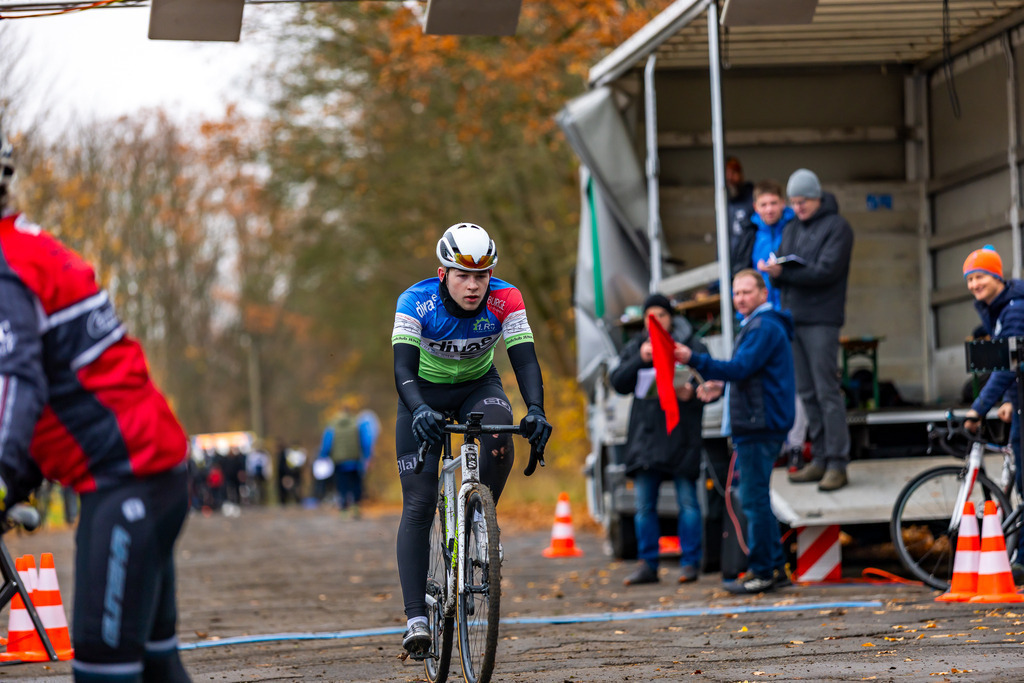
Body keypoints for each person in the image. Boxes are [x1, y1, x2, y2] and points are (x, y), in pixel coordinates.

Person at [0, 130, 192, 681]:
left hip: (126, 479)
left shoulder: (6, 266)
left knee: (103, 669)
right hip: (150, 471)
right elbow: (61, 384)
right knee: (157, 667)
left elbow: (17, 382)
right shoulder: (25, 247)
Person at [392, 222, 553, 657]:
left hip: (478, 387)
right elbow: (402, 369)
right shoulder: (414, 301)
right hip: (420, 394)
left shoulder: (508, 298)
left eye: (481, 275)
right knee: (420, 502)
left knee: (501, 434)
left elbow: (525, 361)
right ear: (443, 273)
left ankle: (480, 519)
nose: (473, 285)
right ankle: (416, 618)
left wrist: (536, 409)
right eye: (463, 275)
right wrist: (420, 409)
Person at [677, 269, 795, 594]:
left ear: (763, 294)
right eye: (736, 293)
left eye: (746, 292)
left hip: (759, 426)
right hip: (759, 423)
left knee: (754, 501)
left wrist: (694, 359)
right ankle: (776, 569)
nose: (740, 298)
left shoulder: (763, 327)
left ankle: (762, 572)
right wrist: (720, 385)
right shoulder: (758, 326)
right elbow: (750, 375)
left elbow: (741, 368)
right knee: (757, 499)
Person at [759, 168, 853, 492]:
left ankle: (838, 463)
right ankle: (821, 458)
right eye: (794, 202)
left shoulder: (838, 228)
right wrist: (773, 273)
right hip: (794, 317)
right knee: (807, 393)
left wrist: (783, 273)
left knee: (827, 391)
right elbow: (784, 270)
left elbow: (827, 271)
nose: (798, 208)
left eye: (803, 202)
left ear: (817, 197)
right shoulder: (792, 228)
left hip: (823, 320)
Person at [609, 293, 706, 586]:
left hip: (681, 436)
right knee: (644, 507)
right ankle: (647, 565)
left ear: (671, 317)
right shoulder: (636, 348)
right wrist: (639, 359)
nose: (656, 321)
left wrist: (691, 393)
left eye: (661, 315)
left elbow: (710, 380)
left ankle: (691, 564)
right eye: (650, 316)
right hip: (646, 440)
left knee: (688, 503)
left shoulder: (689, 346)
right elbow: (617, 383)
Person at [960, 245, 1024, 581]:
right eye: (970, 279)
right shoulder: (995, 307)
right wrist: (1012, 399)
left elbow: (1006, 365)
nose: (974, 284)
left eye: (980, 276)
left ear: (997, 276)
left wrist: (977, 408)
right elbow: (1018, 362)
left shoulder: (1012, 310)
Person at [732, 179, 795, 310]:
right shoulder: (749, 234)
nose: (769, 209)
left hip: (791, 309)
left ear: (783, 203)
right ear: (755, 207)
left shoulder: (796, 229)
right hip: (759, 311)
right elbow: (740, 272)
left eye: (773, 203)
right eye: (764, 204)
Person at [318, 407, 364, 518]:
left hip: (339, 462)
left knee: (342, 485)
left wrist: (323, 455)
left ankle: (344, 510)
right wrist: (366, 455)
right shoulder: (357, 424)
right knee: (356, 484)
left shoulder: (332, 426)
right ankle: (356, 507)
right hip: (355, 460)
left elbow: (327, 443)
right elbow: (364, 441)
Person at [726, 156, 756, 270]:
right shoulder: (726, 204)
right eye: (726, 173)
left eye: (733, 173)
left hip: (748, 268)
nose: (730, 178)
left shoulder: (751, 199)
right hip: (731, 268)